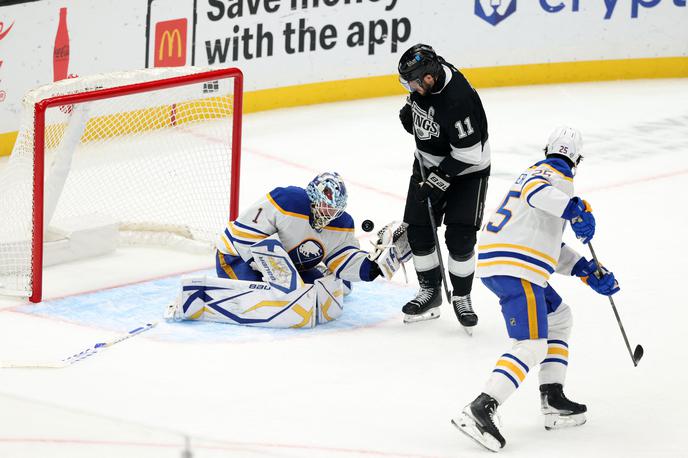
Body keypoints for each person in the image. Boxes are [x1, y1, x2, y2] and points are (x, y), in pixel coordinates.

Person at [452, 127, 620, 452]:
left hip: (511, 260)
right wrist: (574, 207)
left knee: (559, 318)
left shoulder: (546, 182)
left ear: (547, 148)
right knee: (530, 344)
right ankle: (481, 407)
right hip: (516, 268)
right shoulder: (550, 176)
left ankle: (553, 398)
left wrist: (585, 269)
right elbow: (536, 191)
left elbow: (545, 243)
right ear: (578, 160)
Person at [165, 172, 409, 328]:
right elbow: (243, 236)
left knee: (323, 290)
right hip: (237, 257)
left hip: (287, 268)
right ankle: (203, 299)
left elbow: (343, 261)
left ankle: (281, 285)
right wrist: (268, 267)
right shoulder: (287, 200)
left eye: (334, 209)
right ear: (312, 197)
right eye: (325, 206)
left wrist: (374, 267)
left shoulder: (342, 223)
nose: (329, 214)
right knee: (267, 296)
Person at [397, 43, 491, 328]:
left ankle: (462, 296)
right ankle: (430, 291)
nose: (410, 87)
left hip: (468, 172)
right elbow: (422, 107)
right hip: (427, 163)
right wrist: (410, 113)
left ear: (428, 78)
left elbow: (469, 153)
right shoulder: (428, 80)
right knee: (419, 231)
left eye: (413, 82)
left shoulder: (457, 99)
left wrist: (437, 181)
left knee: (460, 239)